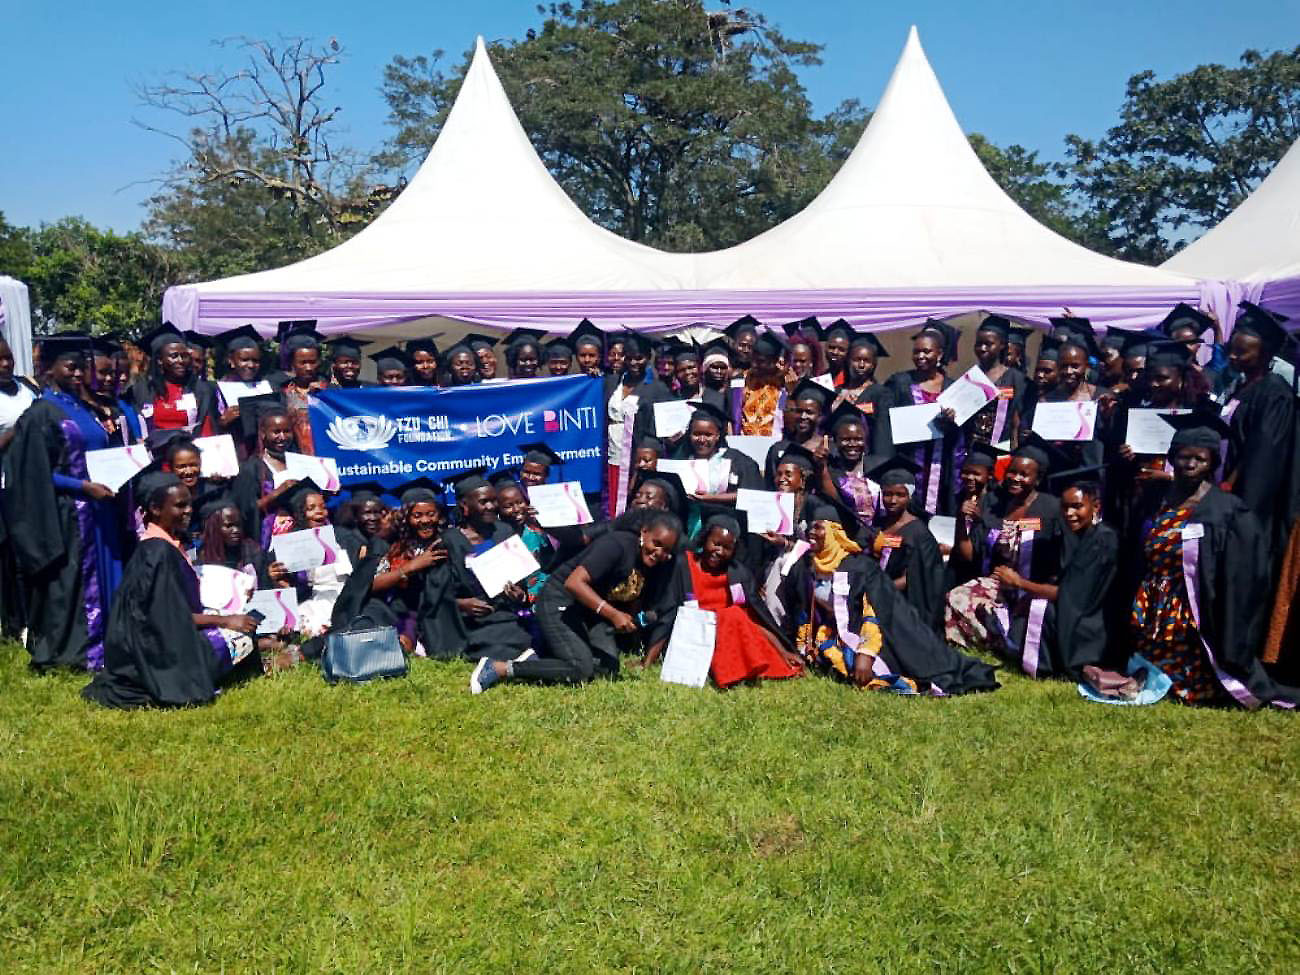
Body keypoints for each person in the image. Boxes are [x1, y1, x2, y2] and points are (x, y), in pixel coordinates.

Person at [1124, 411, 1296, 707]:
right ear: (1172, 457)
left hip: (1197, 603)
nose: (1190, 464)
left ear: (1212, 463)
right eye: (1183, 457)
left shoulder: (1227, 511)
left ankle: (1191, 686)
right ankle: (1158, 681)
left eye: (1199, 459)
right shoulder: (1157, 499)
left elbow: (1244, 572)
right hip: (1156, 594)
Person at [774, 500, 997, 695]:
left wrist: (866, 653)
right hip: (834, 632)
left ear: (834, 532)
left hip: (874, 636)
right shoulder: (807, 565)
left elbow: (873, 613)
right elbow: (803, 610)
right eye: (810, 528)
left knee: (875, 670)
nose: (811, 533)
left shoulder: (859, 567)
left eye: (818, 528)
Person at [82, 474, 266, 709]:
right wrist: (226, 620)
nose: (189, 511)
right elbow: (170, 617)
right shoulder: (159, 553)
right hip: (160, 651)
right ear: (156, 509)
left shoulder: (157, 544)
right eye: (180, 505)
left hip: (148, 642)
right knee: (240, 634)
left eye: (189, 504)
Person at [2, 335, 129, 671]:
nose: (78, 374)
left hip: (100, 508)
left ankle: (108, 644)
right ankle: (79, 653)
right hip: (69, 514)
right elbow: (33, 472)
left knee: (106, 578)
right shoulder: (41, 412)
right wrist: (82, 486)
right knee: (73, 584)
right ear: (50, 369)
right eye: (70, 367)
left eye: (82, 368)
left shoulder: (85, 407)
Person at [469, 511, 683, 692]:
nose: (659, 553)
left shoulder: (653, 565)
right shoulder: (616, 545)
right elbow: (574, 583)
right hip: (559, 601)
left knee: (607, 669)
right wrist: (613, 614)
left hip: (589, 612)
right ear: (644, 532)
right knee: (581, 669)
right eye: (657, 543)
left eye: (667, 551)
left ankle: (541, 660)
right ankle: (499, 668)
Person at [642, 514, 804, 687]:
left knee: (734, 614)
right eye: (716, 544)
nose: (719, 551)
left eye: (727, 547)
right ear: (704, 540)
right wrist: (648, 661)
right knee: (730, 615)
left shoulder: (739, 574)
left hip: (731, 635)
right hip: (693, 636)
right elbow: (669, 610)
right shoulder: (683, 564)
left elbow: (754, 618)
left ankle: (743, 668)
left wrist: (782, 651)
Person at [945, 439, 1067, 668]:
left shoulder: (1051, 508)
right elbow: (970, 554)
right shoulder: (995, 504)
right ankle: (993, 642)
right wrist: (962, 521)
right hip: (998, 584)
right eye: (1012, 472)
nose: (1015, 478)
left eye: (1024, 474)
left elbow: (1060, 555)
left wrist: (1028, 584)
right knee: (956, 598)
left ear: (1037, 479)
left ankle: (1006, 641)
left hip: (1032, 585)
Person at [1220, 301, 1298, 570]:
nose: (1232, 357)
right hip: (1225, 494)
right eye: (1232, 350)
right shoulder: (1240, 387)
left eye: (1242, 353)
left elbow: (1264, 458)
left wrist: (1238, 505)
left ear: (1265, 353)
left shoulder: (1275, 394)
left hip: (1248, 507)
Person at [429, 470, 534, 661]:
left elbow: (522, 586)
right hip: (468, 621)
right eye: (484, 501)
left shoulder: (504, 531)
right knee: (487, 642)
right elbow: (434, 595)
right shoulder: (449, 541)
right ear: (464, 505)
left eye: (493, 501)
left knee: (518, 636)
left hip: (504, 615)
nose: (491, 506)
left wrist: (519, 594)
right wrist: (461, 605)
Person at [882, 320, 962, 515]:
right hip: (908, 460)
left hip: (941, 464)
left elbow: (961, 434)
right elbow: (887, 426)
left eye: (927, 351)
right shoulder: (899, 382)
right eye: (917, 352)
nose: (921, 356)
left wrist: (953, 423)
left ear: (940, 354)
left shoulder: (953, 388)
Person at [867, 455, 946, 632]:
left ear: (909, 496)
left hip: (904, 602)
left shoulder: (918, 533)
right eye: (887, 494)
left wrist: (880, 590)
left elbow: (914, 577)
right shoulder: (878, 524)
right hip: (876, 591)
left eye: (900, 495)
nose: (892, 500)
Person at [604, 332, 673, 514]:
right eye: (630, 358)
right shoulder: (613, 381)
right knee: (611, 503)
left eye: (639, 358)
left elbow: (661, 427)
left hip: (638, 456)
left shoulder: (657, 389)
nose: (634, 363)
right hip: (612, 454)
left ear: (648, 358)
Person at [676, 400, 764, 533]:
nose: (701, 439)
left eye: (708, 435)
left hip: (726, 530)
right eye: (696, 434)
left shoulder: (738, 462)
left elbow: (752, 497)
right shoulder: (682, 460)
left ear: (718, 435)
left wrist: (710, 498)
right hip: (687, 528)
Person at [0, 336, 38, 637]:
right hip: (5, 484)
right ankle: (13, 621)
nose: (5, 364)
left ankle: (34, 615)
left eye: (8, 358)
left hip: (33, 482)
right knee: (9, 556)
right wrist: (19, 429)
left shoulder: (28, 387)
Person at [125, 322, 218, 437]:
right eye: (174, 356)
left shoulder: (199, 389)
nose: (181, 360)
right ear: (159, 360)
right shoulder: (140, 390)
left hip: (189, 450)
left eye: (184, 356)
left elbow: (206, 429)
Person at [230, 403, 301, 546]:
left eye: (287, 431)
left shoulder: (301, 461)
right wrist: (277, 493)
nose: (282, 437)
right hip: (269, 539)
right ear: (263, 433)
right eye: (276, 432)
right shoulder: (251, 468)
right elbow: (244, 511)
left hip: (302, 534)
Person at [969, 314, 1026, 447]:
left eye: (988, 344)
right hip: (971, 451)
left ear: (1002, 345)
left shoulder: (1016, 379)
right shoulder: (970, 377)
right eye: (979, 344)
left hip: (1001, 449)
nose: (982, 348)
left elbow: (1016, 422)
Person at [765, 378, 830, 487]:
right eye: (799, 411)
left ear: (820, 416)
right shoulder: (779, 449)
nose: (803, 417)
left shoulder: (828, 449)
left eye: (809, 412)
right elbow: (769, 487)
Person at [276, 321, 327, 454]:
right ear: (292, 363)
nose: (308, 368)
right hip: (295, 457)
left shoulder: (330, 389)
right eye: (303, 363)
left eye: (312, 362)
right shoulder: (282, 392)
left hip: (327, 454)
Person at [731, 331, 787, 436]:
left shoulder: (782, 384)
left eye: (761, 361)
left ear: (773, 361)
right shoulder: (741, 380)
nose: (754, 364)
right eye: (753, 359)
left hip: (772, 442)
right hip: (743, 442)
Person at [817, 319, 855, 385]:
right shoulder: (820, 379)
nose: (835, 352)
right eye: (831, 347)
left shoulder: (853, 380)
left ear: (848, 353)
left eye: (841, 349)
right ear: (825, 349)